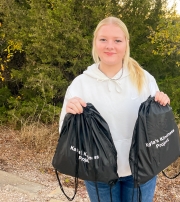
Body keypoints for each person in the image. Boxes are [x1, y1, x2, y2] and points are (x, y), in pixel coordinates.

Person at [58, 16, 170, 202]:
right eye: (103, 39)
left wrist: (163, 104)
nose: (110, 46)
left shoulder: (144, 78)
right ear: (95, 42)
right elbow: (64, 131)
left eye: (117, 40)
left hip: (141, 170)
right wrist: (71, 115)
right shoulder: (80, 84)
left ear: (126, 43)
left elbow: (157, 126)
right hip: (98, 172)